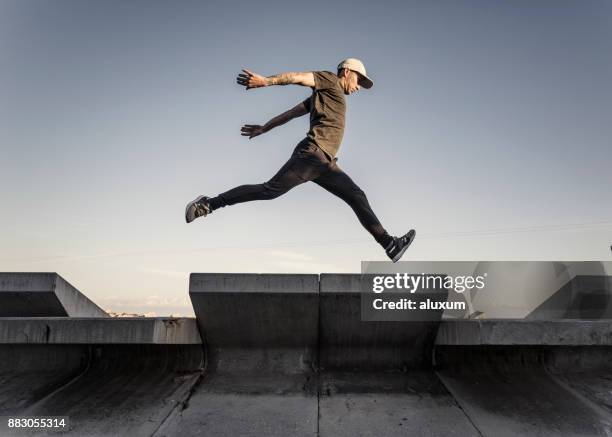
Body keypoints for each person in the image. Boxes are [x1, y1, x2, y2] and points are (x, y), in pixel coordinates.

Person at [185, 58, 415, 262]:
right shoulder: (329, 81)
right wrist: (266, 81)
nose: (358, 87)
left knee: (357, 195)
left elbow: (290, 114)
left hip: (326, 164)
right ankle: (208, 203)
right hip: (311, 156)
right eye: (358, 80)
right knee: (270, 190)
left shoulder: (324, 97)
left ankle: (389, 245)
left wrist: (265, 127)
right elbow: (297, 77)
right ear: (346, 72)